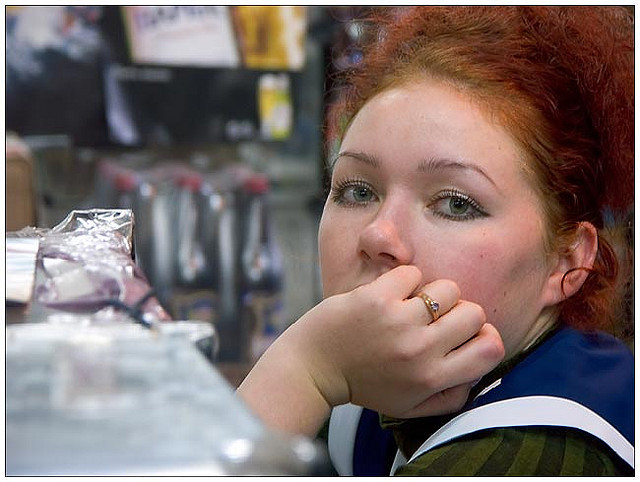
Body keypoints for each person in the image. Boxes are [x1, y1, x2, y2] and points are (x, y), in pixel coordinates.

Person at [238, 6, 634, 476]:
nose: (378, 234)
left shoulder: (537, 455)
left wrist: (303, 371)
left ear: (567, 260)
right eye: (357, 190)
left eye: (455, 204)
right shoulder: (370, 379)